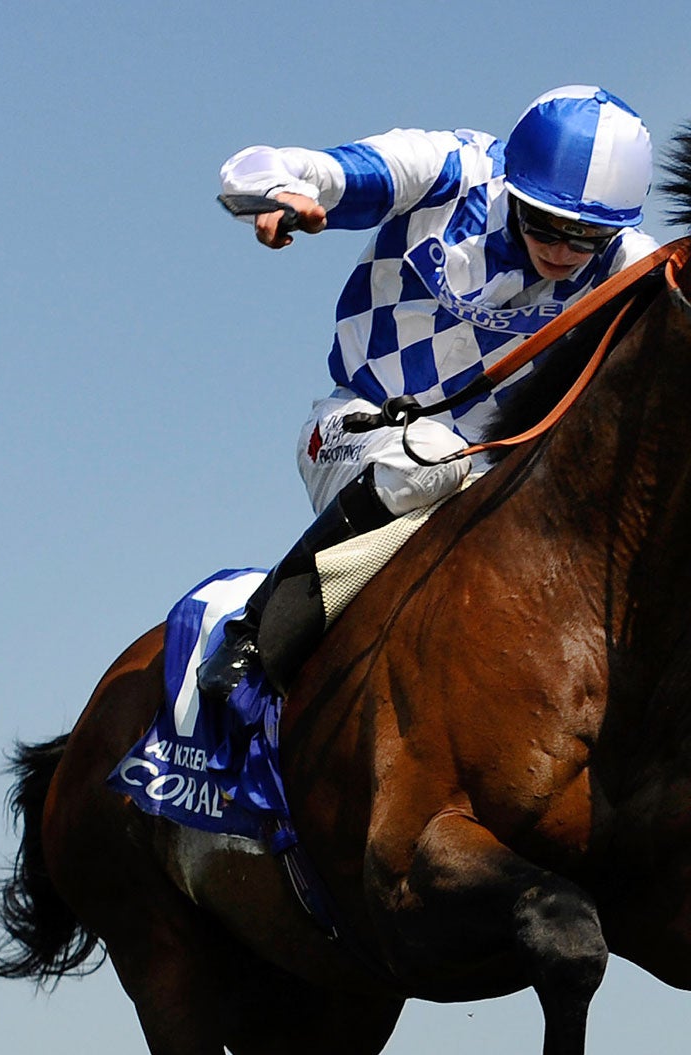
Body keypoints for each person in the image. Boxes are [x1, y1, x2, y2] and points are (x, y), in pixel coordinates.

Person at [198, 86, 662, 701]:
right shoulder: (446, 170)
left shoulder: (634, 266)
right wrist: (279, 189)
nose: (561, 250)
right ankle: (252, 636)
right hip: (355, 430)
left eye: (586, 238)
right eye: (546, 223)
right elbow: (261, 166)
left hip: (494, 480)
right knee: (431, 459)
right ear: (512, 187)